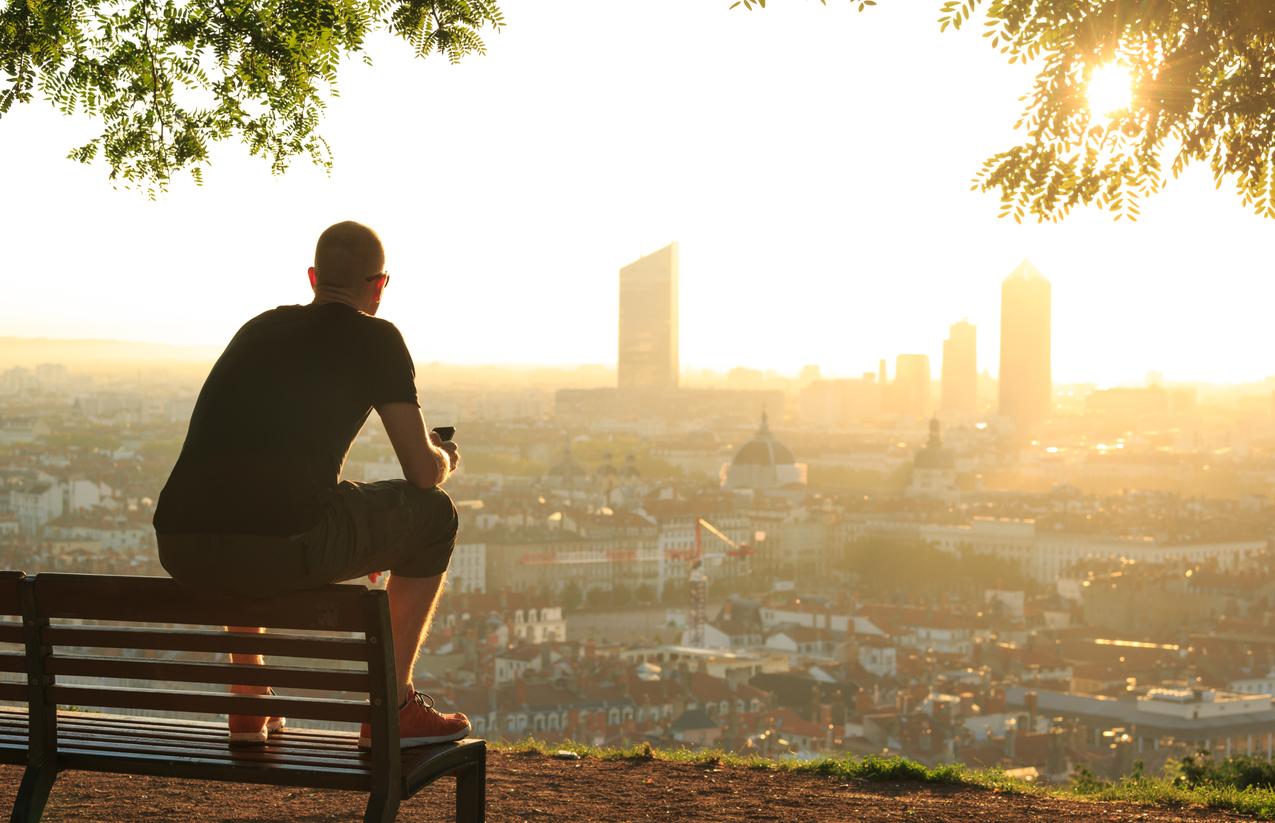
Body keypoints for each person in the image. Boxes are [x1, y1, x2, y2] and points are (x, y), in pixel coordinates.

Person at [153, 220, 469, 750]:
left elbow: (252, 466)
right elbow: (420, 472)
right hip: (283, 546)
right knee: (436, 516)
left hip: (181, 543)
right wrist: (445, 458)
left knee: (250, 509)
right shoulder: (378, 338)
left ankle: (248, 700)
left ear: (313, 277)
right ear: (380, 286)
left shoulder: (258, 329)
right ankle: (391, 709)